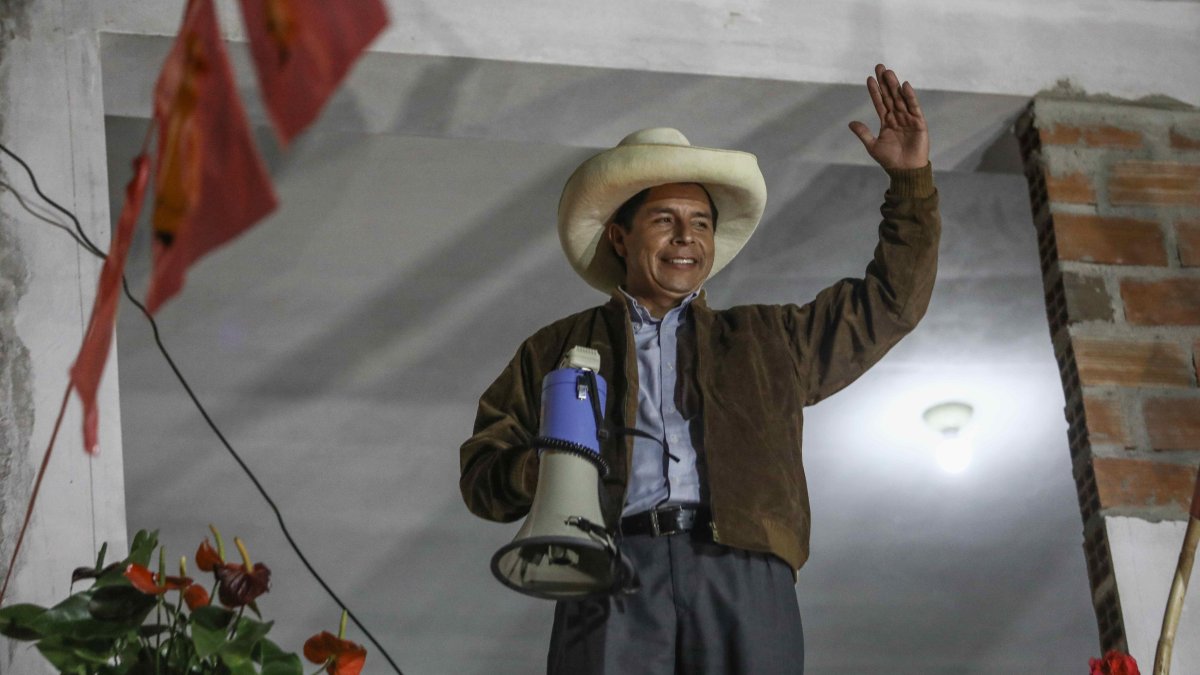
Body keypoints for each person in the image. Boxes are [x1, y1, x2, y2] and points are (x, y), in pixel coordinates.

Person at [459, 64, 941, 674]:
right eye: (664, 220)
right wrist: (549, 467)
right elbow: (481, 474)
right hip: (610, 568)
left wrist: (910, 185)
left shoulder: (771, 341)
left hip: (745, 570)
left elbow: (893, 301)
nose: (687, 238)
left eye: (702, 223)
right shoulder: (553, 348)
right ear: (618, 236)